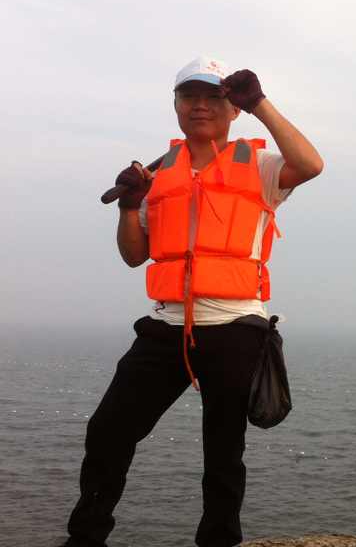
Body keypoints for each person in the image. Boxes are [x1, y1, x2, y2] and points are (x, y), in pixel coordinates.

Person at [62, 56, 323, 547]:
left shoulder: (260, 166)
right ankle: (86, 538)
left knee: (222, 449)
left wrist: (260, 104)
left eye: (213, 97)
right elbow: (134, 255)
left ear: (233, 108)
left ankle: (218, 542)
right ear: (176, 105)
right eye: (189, 96)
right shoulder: (157, 175)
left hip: (235, 325)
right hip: (166, 325)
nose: (200, 105)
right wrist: (129, 206)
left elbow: (311, 165)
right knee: (108, 430)